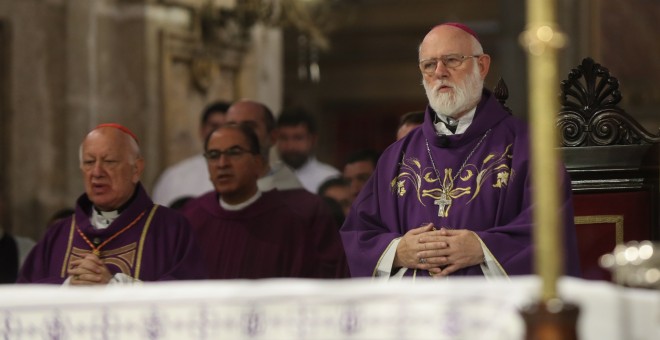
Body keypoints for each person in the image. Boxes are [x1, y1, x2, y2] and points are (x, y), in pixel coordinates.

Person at [340, 23, 580, 279]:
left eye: (452, 60)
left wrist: (483, 248)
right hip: (414, 310)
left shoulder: (528, 148)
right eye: (429, 65)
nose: (440, 72)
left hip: (494, 310)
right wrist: (398, 251)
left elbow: (550, 230)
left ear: (482, 65)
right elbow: (357, 236)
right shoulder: (396, 157)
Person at [18, 124, 207, 284]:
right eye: (89, 162)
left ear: (136, 169)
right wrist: (68, 287)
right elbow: (25, 299)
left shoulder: (171, 230)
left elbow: (186, 299)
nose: (97, 172)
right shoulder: (58, 235)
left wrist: (115, 287)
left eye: (109, 161)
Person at [182, 123, 348, 279]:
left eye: (234, 153)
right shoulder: (191, 217)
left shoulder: (290, 223)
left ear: (258, 163)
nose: (222, 164)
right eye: (213, 155)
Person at [152, 101, 231, 207]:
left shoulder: (249, 176)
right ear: (202, 130)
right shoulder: (175, 177)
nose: (219, 132)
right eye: (214, 126)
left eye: (226, 127)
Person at [225, 100, 303, 191]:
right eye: (231, 127)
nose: (238, 134)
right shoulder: (211, 199)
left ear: (272, 137)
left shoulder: (295, 197)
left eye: (249, 127)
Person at [275, 108, 340, 193]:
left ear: (313, 140)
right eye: (284, 138)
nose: (290, 146)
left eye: (298, 138)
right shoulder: (263, 180)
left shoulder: (330, 178)